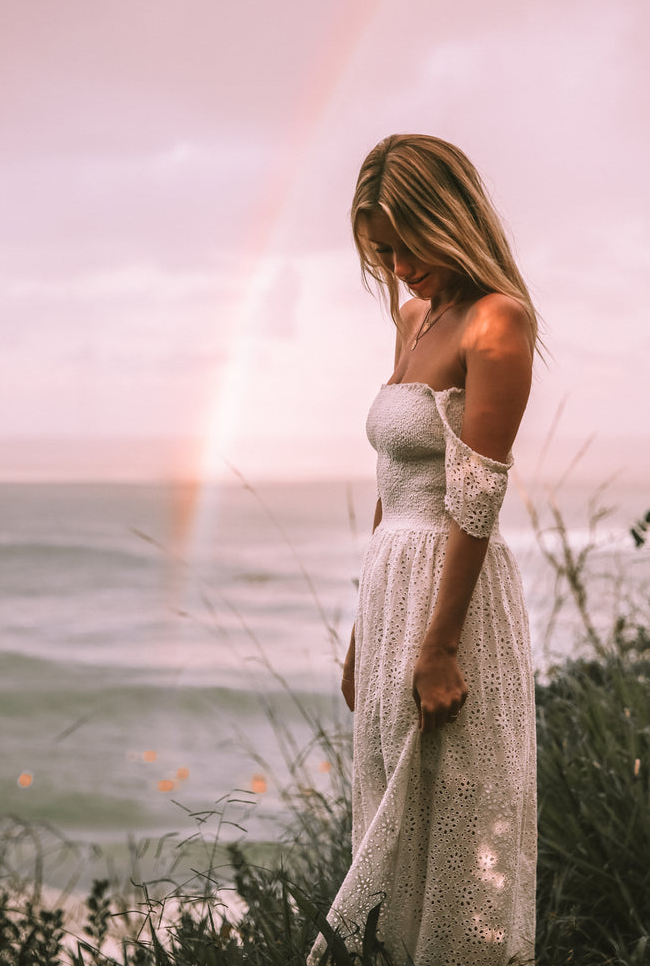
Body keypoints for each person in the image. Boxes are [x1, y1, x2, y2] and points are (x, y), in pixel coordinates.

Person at [309, 135, 538, 965]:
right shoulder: (414, 317)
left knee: (465, 825)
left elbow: (475, 496)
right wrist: (362, 636)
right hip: (392, 589)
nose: (401, 265)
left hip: (455, 601)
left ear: (451, 218)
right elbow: (392, 484)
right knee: (391, 821)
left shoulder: (496, 320)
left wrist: (438, 647)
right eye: (384, 250)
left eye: (410, 241)